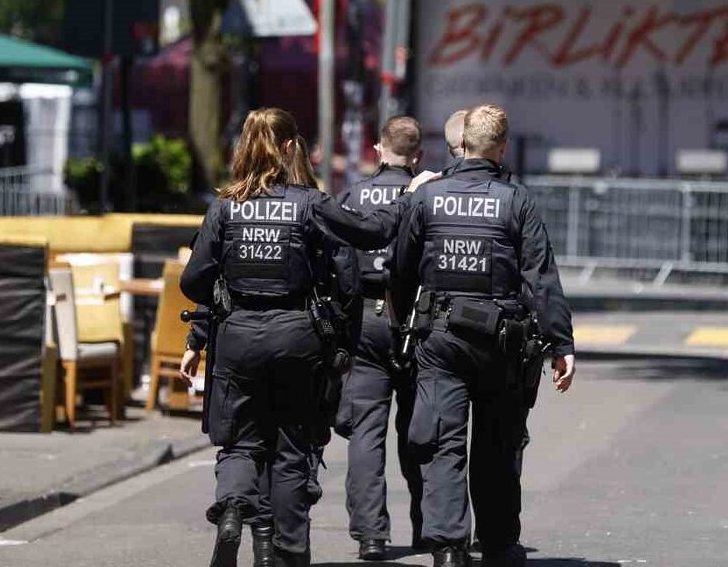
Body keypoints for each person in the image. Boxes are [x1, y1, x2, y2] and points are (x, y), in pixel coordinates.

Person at [180, 108, 426, 567]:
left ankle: (234, 505)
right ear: (291, 147)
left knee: (240, 442)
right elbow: (370, 236)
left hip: (237, 338)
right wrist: (409, 194)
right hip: (297, 337)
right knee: (293, 448)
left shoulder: (225, 206)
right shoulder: (310, 204)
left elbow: (195, 282)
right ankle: (288, 552)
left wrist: (200, 334)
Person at [393, 104, 576, 567]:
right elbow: (541, 277)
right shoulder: (517, 201)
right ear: (500, 147)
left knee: (441, 441)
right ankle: (498, 544)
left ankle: (449, 546)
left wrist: (402, 326)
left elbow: (402, 268)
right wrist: (561, 344)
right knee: (497, 446)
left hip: (439, 337)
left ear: (463, 143)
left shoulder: (426, 198)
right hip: (501, 341)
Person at [334, 116, 427, 561]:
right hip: (413, 320)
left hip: (362, 320)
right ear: (419, 155)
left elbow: (332, 257)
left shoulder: (352, 194)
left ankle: (371, 535)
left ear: (377, 149)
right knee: (421, 428)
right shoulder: (426, 193)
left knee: (366, 432)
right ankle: (429, 526)